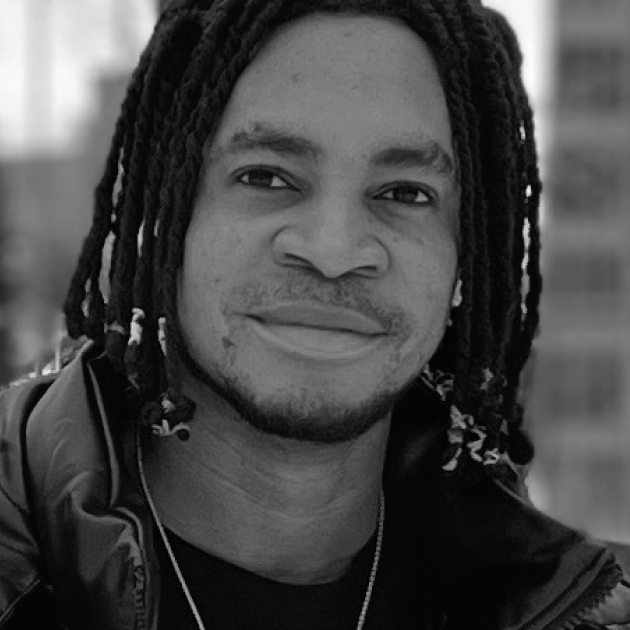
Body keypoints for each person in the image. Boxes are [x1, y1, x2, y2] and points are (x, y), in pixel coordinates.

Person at [0, 0, 628, 628]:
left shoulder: (574, 607)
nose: (333, 252)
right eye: (266, 177)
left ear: (466, 255)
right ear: (165, 214)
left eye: (405, 193)